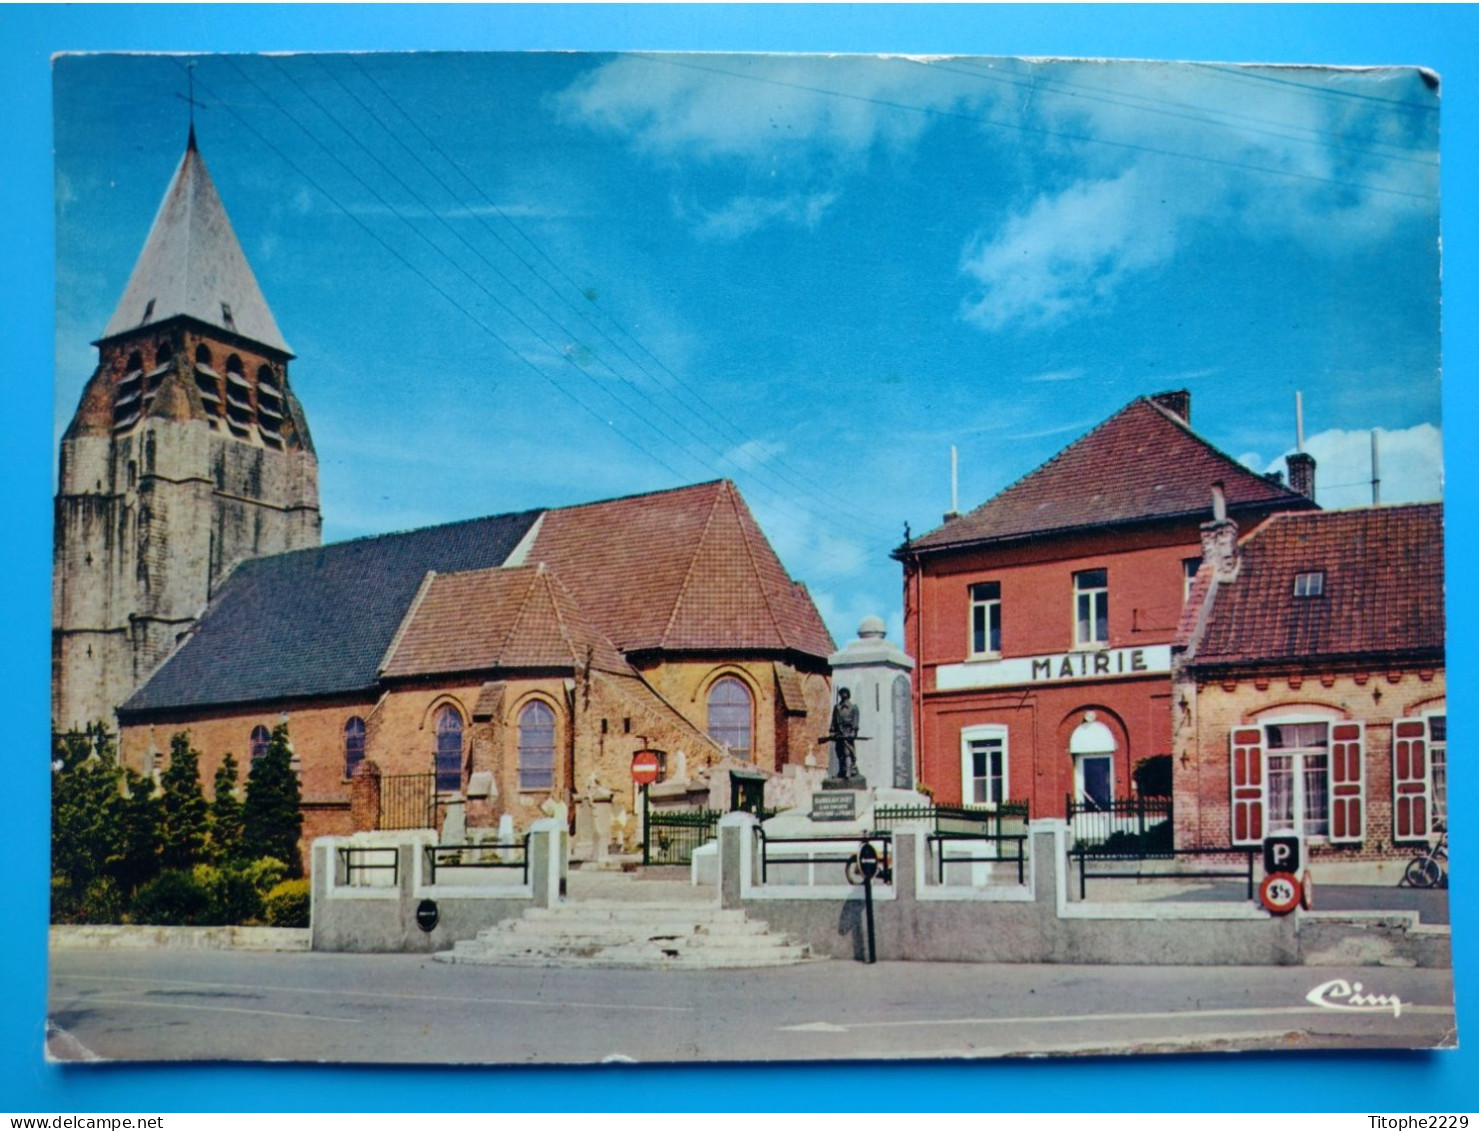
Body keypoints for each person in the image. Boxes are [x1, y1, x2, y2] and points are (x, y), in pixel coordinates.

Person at [831, 687, 860, 779]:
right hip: (839, 733)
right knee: (839, 753)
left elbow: (855, 722)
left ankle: (849, 771)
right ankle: (841, 771)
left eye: (845, 692)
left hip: (848, 733)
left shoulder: (853, 708)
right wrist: (832, 731)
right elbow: (834, 721)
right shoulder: (837, 708)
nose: (843, 694)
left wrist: (853, 732)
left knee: (847, 752)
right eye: (841, 693)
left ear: (848, 694)